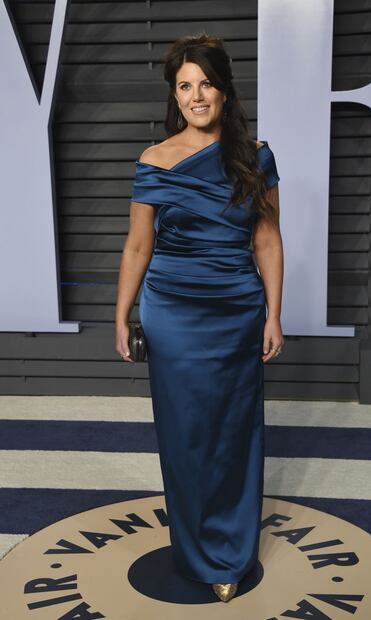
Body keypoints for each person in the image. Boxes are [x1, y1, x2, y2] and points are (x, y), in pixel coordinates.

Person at [115, 32, 284, 603]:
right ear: (174, 95)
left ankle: (229, 552)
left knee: (234, 431)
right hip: (172, 312)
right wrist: (121, 314)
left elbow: (268, 241)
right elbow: (138, 246)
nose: (196, 96)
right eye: (185, 86)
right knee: (185, 434)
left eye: (206, 84)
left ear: (225, 91)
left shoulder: (256, 157)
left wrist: (274, 315)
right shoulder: (154, 160)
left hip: (237, 310)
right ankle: (196, 550)